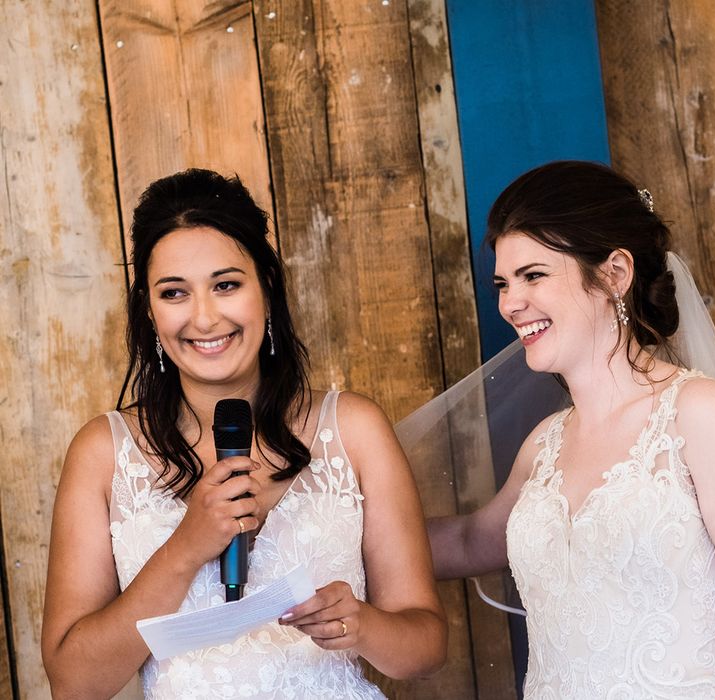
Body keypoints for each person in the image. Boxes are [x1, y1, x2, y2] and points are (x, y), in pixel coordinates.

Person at [41, 168, 447, 698]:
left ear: (267, 289)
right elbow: (73, 683)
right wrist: (184, 549)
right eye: (174, 293)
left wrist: (361, 624)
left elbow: (426, 647)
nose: (205, 318)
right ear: (149, 310)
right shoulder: (102, 452)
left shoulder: (354, 430)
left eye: (226, 285)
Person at [424, 161, 715, 698]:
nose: (511, 303)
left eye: (533, 275)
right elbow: (472, 540)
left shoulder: (698, 415)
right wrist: (327, 522)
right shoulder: (544, 442)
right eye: (503, 283)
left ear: (614, 274)